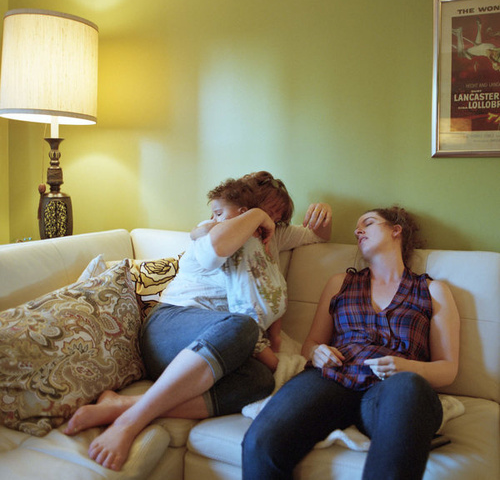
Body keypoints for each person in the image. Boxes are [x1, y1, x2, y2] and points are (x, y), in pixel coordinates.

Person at [63, 171, 332, 472]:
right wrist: (256, 217)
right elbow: (218, 250)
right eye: (268, 211)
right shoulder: (215, 229)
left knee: (260, 380)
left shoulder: (272, 236)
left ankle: (121, 405)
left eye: (279, 217)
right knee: (242, 325)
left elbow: (318, 236)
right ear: (245, 208)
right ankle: (130, 421)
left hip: (213, 351)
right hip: (170, 329)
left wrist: (324, 213)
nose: (274, 220)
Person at [242, 206, 460, 480]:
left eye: (368, 223)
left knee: (407, 386)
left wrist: (407, 368)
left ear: (396, 230)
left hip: (392, 389)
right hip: (334, 379)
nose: (358, 231)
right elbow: (311, 343)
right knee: (261, 442)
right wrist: (317, 352)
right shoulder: (340, 283)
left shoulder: (432, 291)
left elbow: (448, 368)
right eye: (357, 228)